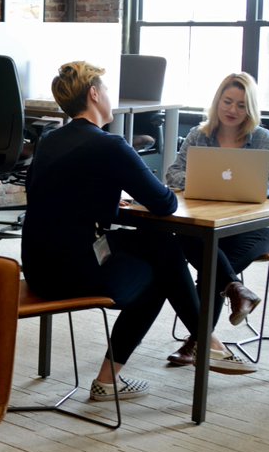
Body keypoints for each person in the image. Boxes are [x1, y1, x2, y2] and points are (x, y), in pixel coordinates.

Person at [21, 61, 228, 403]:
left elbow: (57, 196)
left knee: (159, 244)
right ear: (94, 94)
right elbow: (164, 203)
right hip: (74, 272)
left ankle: (206, 340)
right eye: (105, 89)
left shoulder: (49, 140)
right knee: (160, 273)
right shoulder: (110, 145)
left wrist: (107, 197)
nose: (109, 96)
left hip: (39, 268)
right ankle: (197, 344)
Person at [163, 72, 269, 369]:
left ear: (250, 109)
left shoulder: (265, 139)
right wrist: (202, 183)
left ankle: (197, 341)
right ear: (217, 101)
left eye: (241, 105)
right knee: (186, 240)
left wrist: (252, 189)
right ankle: (236, 291)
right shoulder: (199, 135)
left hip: (252, 226)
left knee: (213, 265)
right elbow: (173, 173)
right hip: (205, 221)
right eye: (227, 101)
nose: (232, 110)